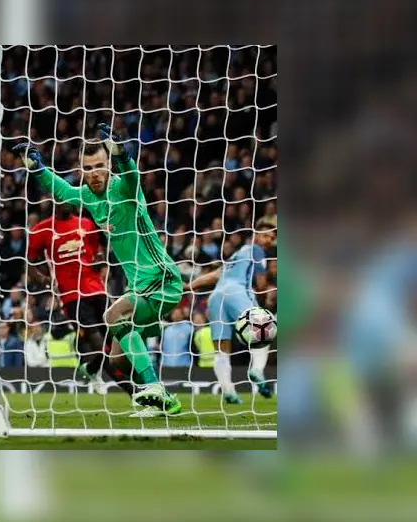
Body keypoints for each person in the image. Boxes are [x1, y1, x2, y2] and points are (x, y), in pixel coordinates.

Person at [15, 123, 183, 414]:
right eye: (88, 167)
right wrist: (37, 168)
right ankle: (164, 404)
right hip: (139, 287)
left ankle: (156, 386)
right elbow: (64, 191)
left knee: (112, 316)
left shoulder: (124, 188)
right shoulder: (90, 197)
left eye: (100, 165)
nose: (94, 172)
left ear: (108, 165)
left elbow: (131, 174)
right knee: (117, 358)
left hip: (161, 278)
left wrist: (120, 155)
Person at [27, 202, 135, 395]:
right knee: (98, 344)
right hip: (72, 296)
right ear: (54, 201)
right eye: (62, 198)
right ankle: (134, 392)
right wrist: (42, 278)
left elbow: (99, 249)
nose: (68, 203)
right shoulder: (41, 229)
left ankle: (92, 369)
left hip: (97, 290)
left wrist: (100, 258)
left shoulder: (86, 223)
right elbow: (30, 263)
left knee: (115, 339)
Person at [186, 222, 276, 403]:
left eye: (273, 238)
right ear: (256, 235)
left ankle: (228, 390)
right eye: (266, 236)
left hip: (216, 296)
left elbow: (215, 275)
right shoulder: (256, 251)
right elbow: (260, 283)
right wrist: (265, 301)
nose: (269, 241)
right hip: (237, 292)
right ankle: (257, 370)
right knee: (265, 329)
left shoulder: (236, 254)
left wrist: (190, 286)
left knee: (222, 348)